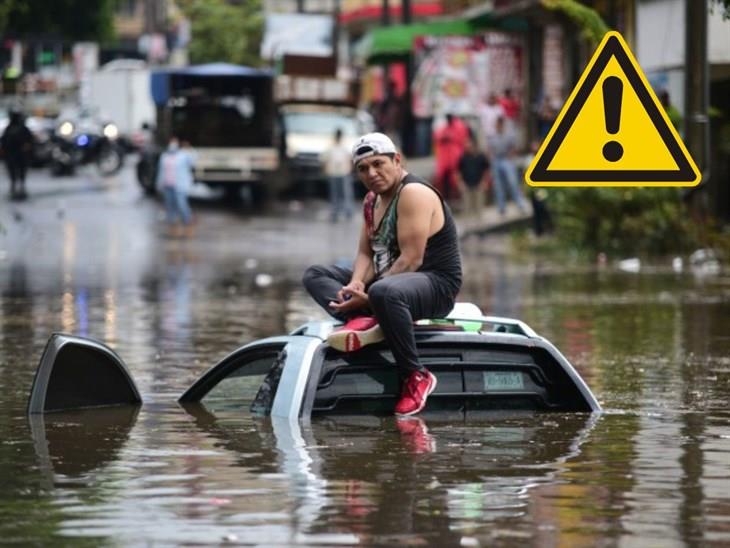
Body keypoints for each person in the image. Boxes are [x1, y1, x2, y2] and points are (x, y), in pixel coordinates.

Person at [303, 132, 462, 416]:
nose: (372, 173)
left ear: (396, 160)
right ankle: (368, 316)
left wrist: (368, 297)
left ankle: (415, 375)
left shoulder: (413, 193)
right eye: (363, 169)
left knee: (382, 292)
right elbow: (366, 253)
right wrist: (355, 284)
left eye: (378, 164)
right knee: (316, 274)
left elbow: (412, 259)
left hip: (435, 284)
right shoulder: (370, 201)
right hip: (388, 284)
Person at [156, 135, 196, 237]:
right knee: (170, 205)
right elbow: (161, 171)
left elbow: (193, 161)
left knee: (181, 203)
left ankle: (187, 220)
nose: (172, 144)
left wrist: (189, 149)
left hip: (180, 185)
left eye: (174, 142)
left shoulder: (184, 155)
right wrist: (159, 184)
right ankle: (172, 224)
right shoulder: (164, 156)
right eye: (171, 142)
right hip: (168, 185)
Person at [487, 117, 527, 216]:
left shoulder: (508, 135)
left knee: (512, 182)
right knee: (498, 185)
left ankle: (520, 203)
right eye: (498, 124)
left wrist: (511, 155)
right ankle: (501, 207)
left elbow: (514, 147)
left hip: (506, 159)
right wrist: (491, 159)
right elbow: (489, 149)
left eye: (501, 124)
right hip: (496, 160)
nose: (499, 126)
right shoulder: (492, 136)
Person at [432, 114, 469, 201]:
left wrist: (450, 137)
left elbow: (462, 138)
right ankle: (446, 199)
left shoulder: (459, 126)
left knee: (455, 179)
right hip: (444, 158)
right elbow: (437, 136)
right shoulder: (442, 127)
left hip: (455, 157)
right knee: (443, 179)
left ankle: (457, 199)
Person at [321, 128, 354, 222]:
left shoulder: (344, 147)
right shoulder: (331, 147)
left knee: (345, 193)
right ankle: (335, 212)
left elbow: (350, 159)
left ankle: (347, 211)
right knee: (335, 194)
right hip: (333, 173)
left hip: (344, 173)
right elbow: (324, 160)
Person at [1, 110, 34, 200]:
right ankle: (14, 186)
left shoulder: (22, 129)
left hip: (21, 154)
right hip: (12, 154)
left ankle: (20, 187)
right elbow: (4, 141)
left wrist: (27, 147)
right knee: (13, 172)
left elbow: (30, 141)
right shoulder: (9, 129)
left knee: (21, 171)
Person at [456, 132, 490, 219]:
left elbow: (486, 170)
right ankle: (468, 226)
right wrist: (460, 183)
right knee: (467, 207)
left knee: (479, 207)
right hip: (467, 185)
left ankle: (479, 224)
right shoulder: (462, 157)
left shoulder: (481, 156)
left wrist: (484, 182)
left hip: (478, 184)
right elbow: (458, 171)